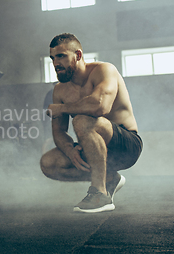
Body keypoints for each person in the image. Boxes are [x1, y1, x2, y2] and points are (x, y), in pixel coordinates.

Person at [39, 33, 142, 213]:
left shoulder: (104, 70)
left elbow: (100, 107)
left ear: (78, 55)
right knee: (49, 162)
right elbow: (59, 132)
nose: (55, 63)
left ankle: (100, 194)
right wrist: (70, 150)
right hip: (94, 148)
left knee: (82, 120)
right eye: (52, 58)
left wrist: (62, 109)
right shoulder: (60, 90)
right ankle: (109, 178)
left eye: (61, 56)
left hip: (126, 146)